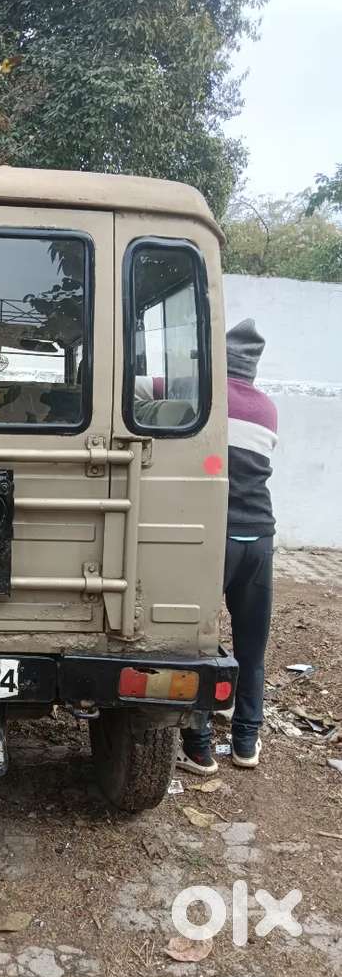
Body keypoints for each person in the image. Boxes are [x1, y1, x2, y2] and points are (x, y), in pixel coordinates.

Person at [177, 318, 278, 775]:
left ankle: (199, 745)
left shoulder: (204, 397)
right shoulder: (268, 409)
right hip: (259, 536)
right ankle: (245, 743)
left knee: (197, 640)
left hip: (213, 535)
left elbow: (138, 390)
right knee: (251, 647)